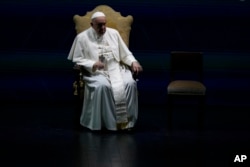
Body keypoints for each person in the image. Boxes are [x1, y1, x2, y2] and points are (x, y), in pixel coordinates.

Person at [67, 11, 143, 131]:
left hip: (117, 69)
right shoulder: (82, 38)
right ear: (92, 25)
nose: (103, 28)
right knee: (103, 86)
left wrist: (133, 61)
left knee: (130, 83)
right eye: (99, 25)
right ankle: (107, 124)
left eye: (104, 24)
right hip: (96, 72)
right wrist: (93, 63)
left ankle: (126, 123)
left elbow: (125, 54)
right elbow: (77, 59)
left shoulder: (114, 33)